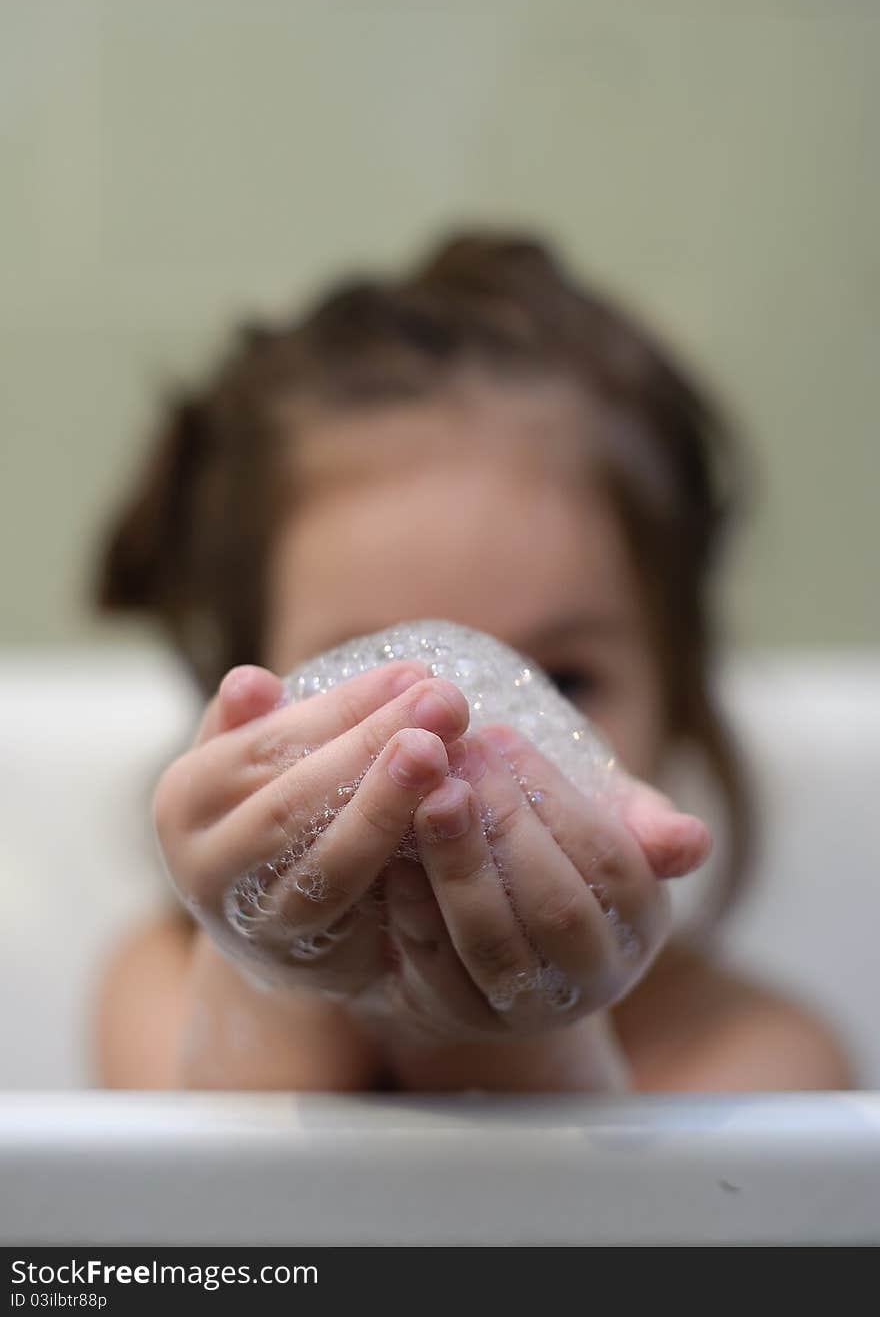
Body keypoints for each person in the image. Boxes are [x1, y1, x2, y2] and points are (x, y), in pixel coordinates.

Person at [91, 231, 853, 1091]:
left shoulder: (759, 1059)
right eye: (357, 675)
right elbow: (214, 1215)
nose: (462, 748)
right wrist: (277, 970)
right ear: (241, 699)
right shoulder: (155, 987)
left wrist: (526, 1023)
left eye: (564, 681)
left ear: (677, 699)